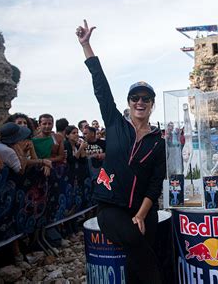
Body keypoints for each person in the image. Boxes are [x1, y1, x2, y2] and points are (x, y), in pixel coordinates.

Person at [76, 19, 165, 284]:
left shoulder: (158, 141)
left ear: (152, 105)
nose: (140, 102)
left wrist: (140, 213)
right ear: (128, 103)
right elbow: (100, 87)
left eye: (145, 99)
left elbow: (154, 183)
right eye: (135, 98)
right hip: (110, 207)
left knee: (144, 253)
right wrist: (86, 45)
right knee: (137, 245)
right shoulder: (115, 124)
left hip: (143, 208)